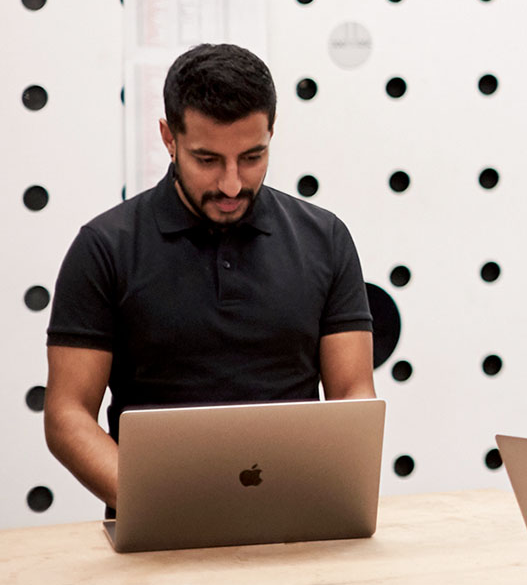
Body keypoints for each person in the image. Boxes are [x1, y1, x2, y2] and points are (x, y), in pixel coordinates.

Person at [44, 44, 375, 510]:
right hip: (155, 530)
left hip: (299, 522)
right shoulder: (105, 247)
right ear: (168, 137)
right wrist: (160, 507)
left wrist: (340, 490)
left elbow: (352, 393)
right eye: (207, 160)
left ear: (271, 133)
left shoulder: (325, 238)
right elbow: (67, 414)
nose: (232, 184)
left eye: (252, 156)